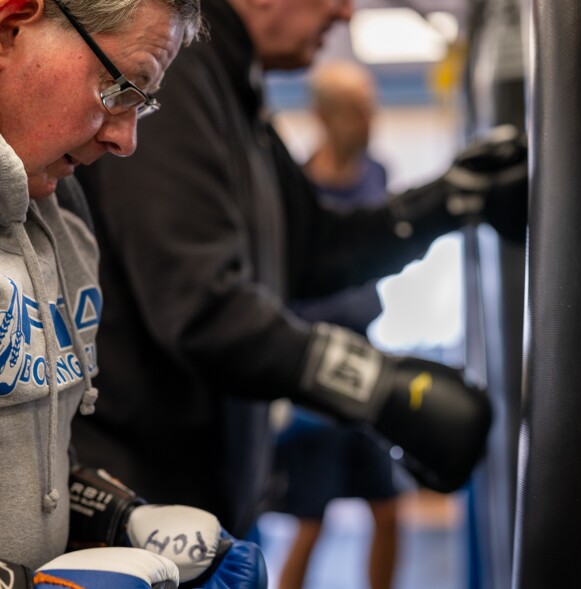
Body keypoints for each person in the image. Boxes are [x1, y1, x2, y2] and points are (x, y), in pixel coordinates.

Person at [71, 0, 527, 546]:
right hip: (139, 513)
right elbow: (201, 306)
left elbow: (314, 250)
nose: (344, 12)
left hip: (205, 502)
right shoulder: (174, 74)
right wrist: (375, 386)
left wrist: (449, 201)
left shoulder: (236, 92)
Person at [0, 1, 266, 585]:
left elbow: (29, 464)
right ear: (10, 25)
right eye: (119, 87)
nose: (126, 140)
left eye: (141, 102)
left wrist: (118, 516)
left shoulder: (63, 218)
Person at [274, 60, 401, 589]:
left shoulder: (377, 173)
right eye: (354, 110)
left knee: (390, 509)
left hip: (368, 358)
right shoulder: (297, 190)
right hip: (313, 369)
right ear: (324, 116)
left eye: (370, 109)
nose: (367, 121)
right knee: (310, 520)